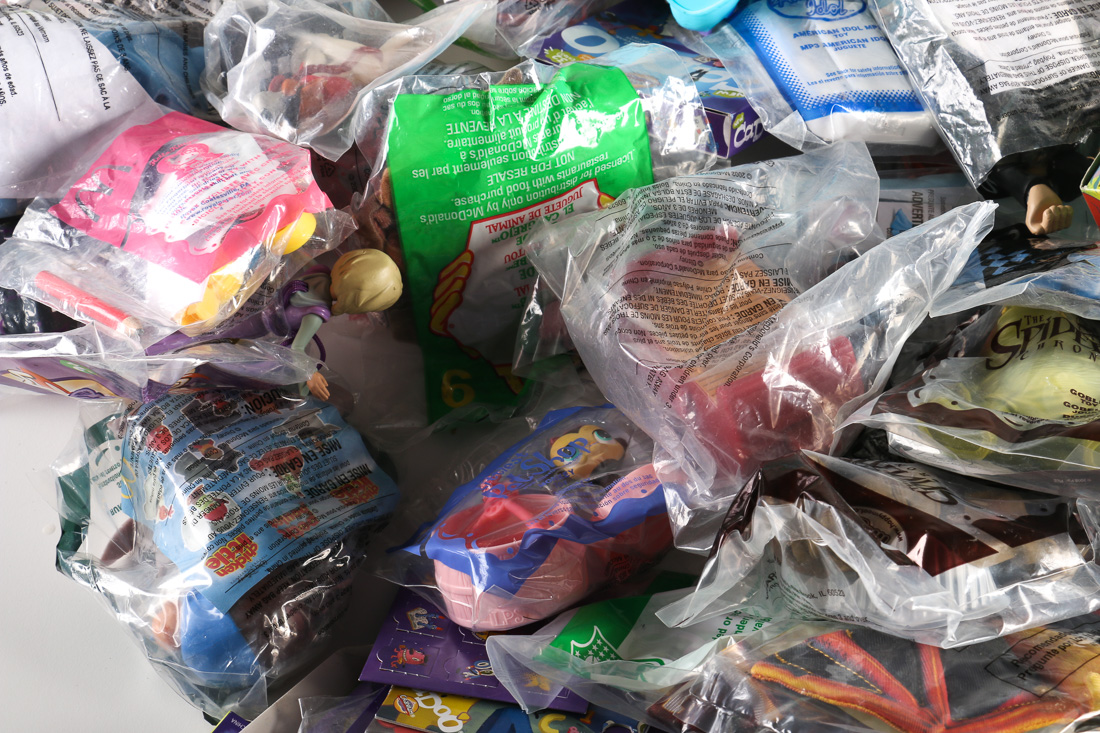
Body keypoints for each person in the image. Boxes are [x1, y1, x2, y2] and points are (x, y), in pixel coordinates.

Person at [286, 248, 403, 399]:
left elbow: (301, 256)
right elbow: (297, 348)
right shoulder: (316, 313)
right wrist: (310, 375)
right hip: (268, 324)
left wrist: (290, 246)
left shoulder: (320, 271)